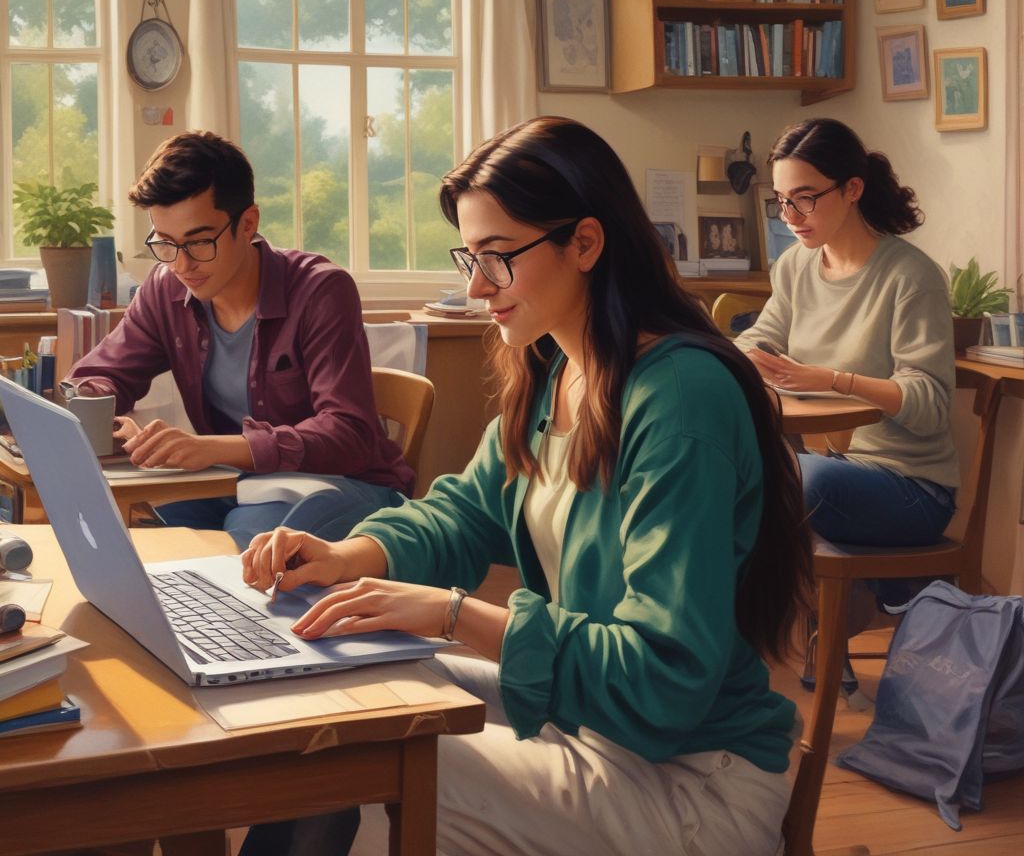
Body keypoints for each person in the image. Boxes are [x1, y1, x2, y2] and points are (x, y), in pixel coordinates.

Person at [242, 116, 812, 856]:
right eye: (469, 257)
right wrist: (350, 556)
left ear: (585, 243)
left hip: (691, 779)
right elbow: (464, 514)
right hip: (592, 723)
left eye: (497, 258)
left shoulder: (679, 398)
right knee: (327, 700)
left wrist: (453, 615)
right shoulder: (557, 370)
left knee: (358, 761)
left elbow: (665, 678)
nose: (476, 287)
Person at [67, 131, 413, 548]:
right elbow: (103, 373)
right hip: (241, 483)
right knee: (130, 531)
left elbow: (348, 435)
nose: (182, 264)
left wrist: (212, 448)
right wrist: (101, 409)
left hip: (345, 483)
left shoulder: (321, 290)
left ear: (248, 224)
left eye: (199, 242)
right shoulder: (166, 288)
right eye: (166, 243)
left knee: (250, 553)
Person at [734, 117, 958, 622]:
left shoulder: (911, 277)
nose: (791, 215)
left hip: (910, 488)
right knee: (750, 464)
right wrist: (739, 356)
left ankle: (848, 614)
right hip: (830, 467)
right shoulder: (794, 266)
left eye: (806, 197)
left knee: (788, 479)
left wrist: (829, 379)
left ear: (852, 188)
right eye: (782, 200)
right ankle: (828, 624)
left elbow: (931, 407)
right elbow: (761, 337)